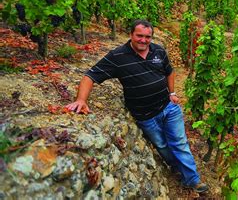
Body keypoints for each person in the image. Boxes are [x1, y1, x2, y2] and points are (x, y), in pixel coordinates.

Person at [66, 19, 209, 194]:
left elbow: (169, 71)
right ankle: (177, 168)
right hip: (146, 117)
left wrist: (172, 93)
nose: (143, 40)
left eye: (147, 37)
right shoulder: (118, 56)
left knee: (179, 143)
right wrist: (82, 100)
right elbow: (90, 76)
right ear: (131, 35)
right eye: (139, 36)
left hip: (168, 108)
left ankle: (192, 180)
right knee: (163, 146)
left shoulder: (159, 51)